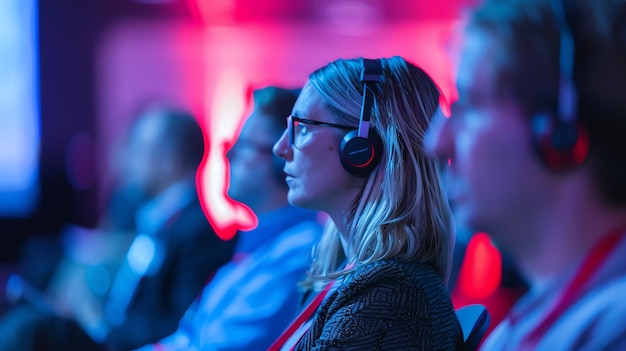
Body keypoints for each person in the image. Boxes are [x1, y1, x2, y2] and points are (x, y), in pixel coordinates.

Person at [425, 0, 626, 349]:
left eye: (468, 104)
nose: (436, 144)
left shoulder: (612, 331)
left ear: (558, 129)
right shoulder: (536, 321)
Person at [0, 105, 238, 351]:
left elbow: (178, 325)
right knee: (32, 310)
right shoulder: (153, 219)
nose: (129, 161)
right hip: (110, 333)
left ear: (170, 162)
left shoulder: (198, 233)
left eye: (139, 150)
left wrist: (96, 321)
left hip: (123, 344)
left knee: (30, 329)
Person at [269, 57, 463, 350]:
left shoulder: (389, 295)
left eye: (303, 128)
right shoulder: (348, 275)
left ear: (362, 148)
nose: (281, 147)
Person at [136, 86, 323, 351]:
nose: (229, 154)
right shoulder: (256, 247)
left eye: (245, 145)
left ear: (281, 160)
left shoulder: (301, 252)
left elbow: (217, 347)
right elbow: (188, 337)